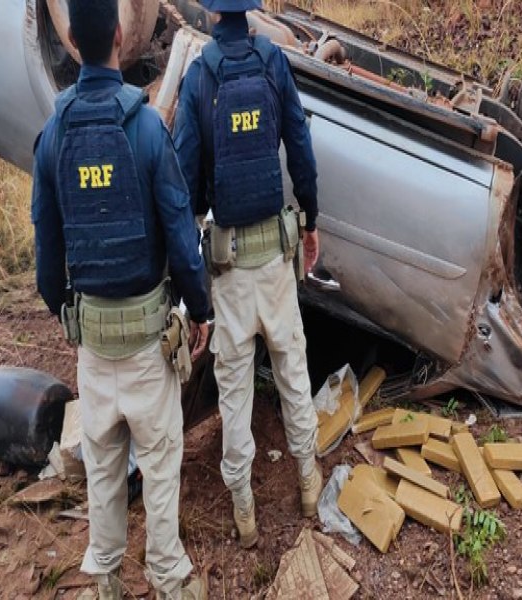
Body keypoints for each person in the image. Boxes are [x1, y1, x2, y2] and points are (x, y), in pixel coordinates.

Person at [31, 1, 210, 598]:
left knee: (103, 472)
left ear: (75, 44)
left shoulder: (54, 134)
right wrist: (200, 310)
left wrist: (71, 315)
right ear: (116, 36)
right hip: (147, 343)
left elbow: (46, 260)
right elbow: (183, 239)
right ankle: (169, 581)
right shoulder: (145, 128)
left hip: (94, 344)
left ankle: (106, 583)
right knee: (160, 466)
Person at [173, 0, 322, 549]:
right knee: (292, 370)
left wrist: (191, 277)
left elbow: (184, 182)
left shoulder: (199, 76)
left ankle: (244, 512)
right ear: (252, 12)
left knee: (234, 391)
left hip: (229, 267)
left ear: (213, 16)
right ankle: (308, 482)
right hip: (277, 261)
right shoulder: (272, 64)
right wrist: (310, 219)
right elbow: (300, 147)